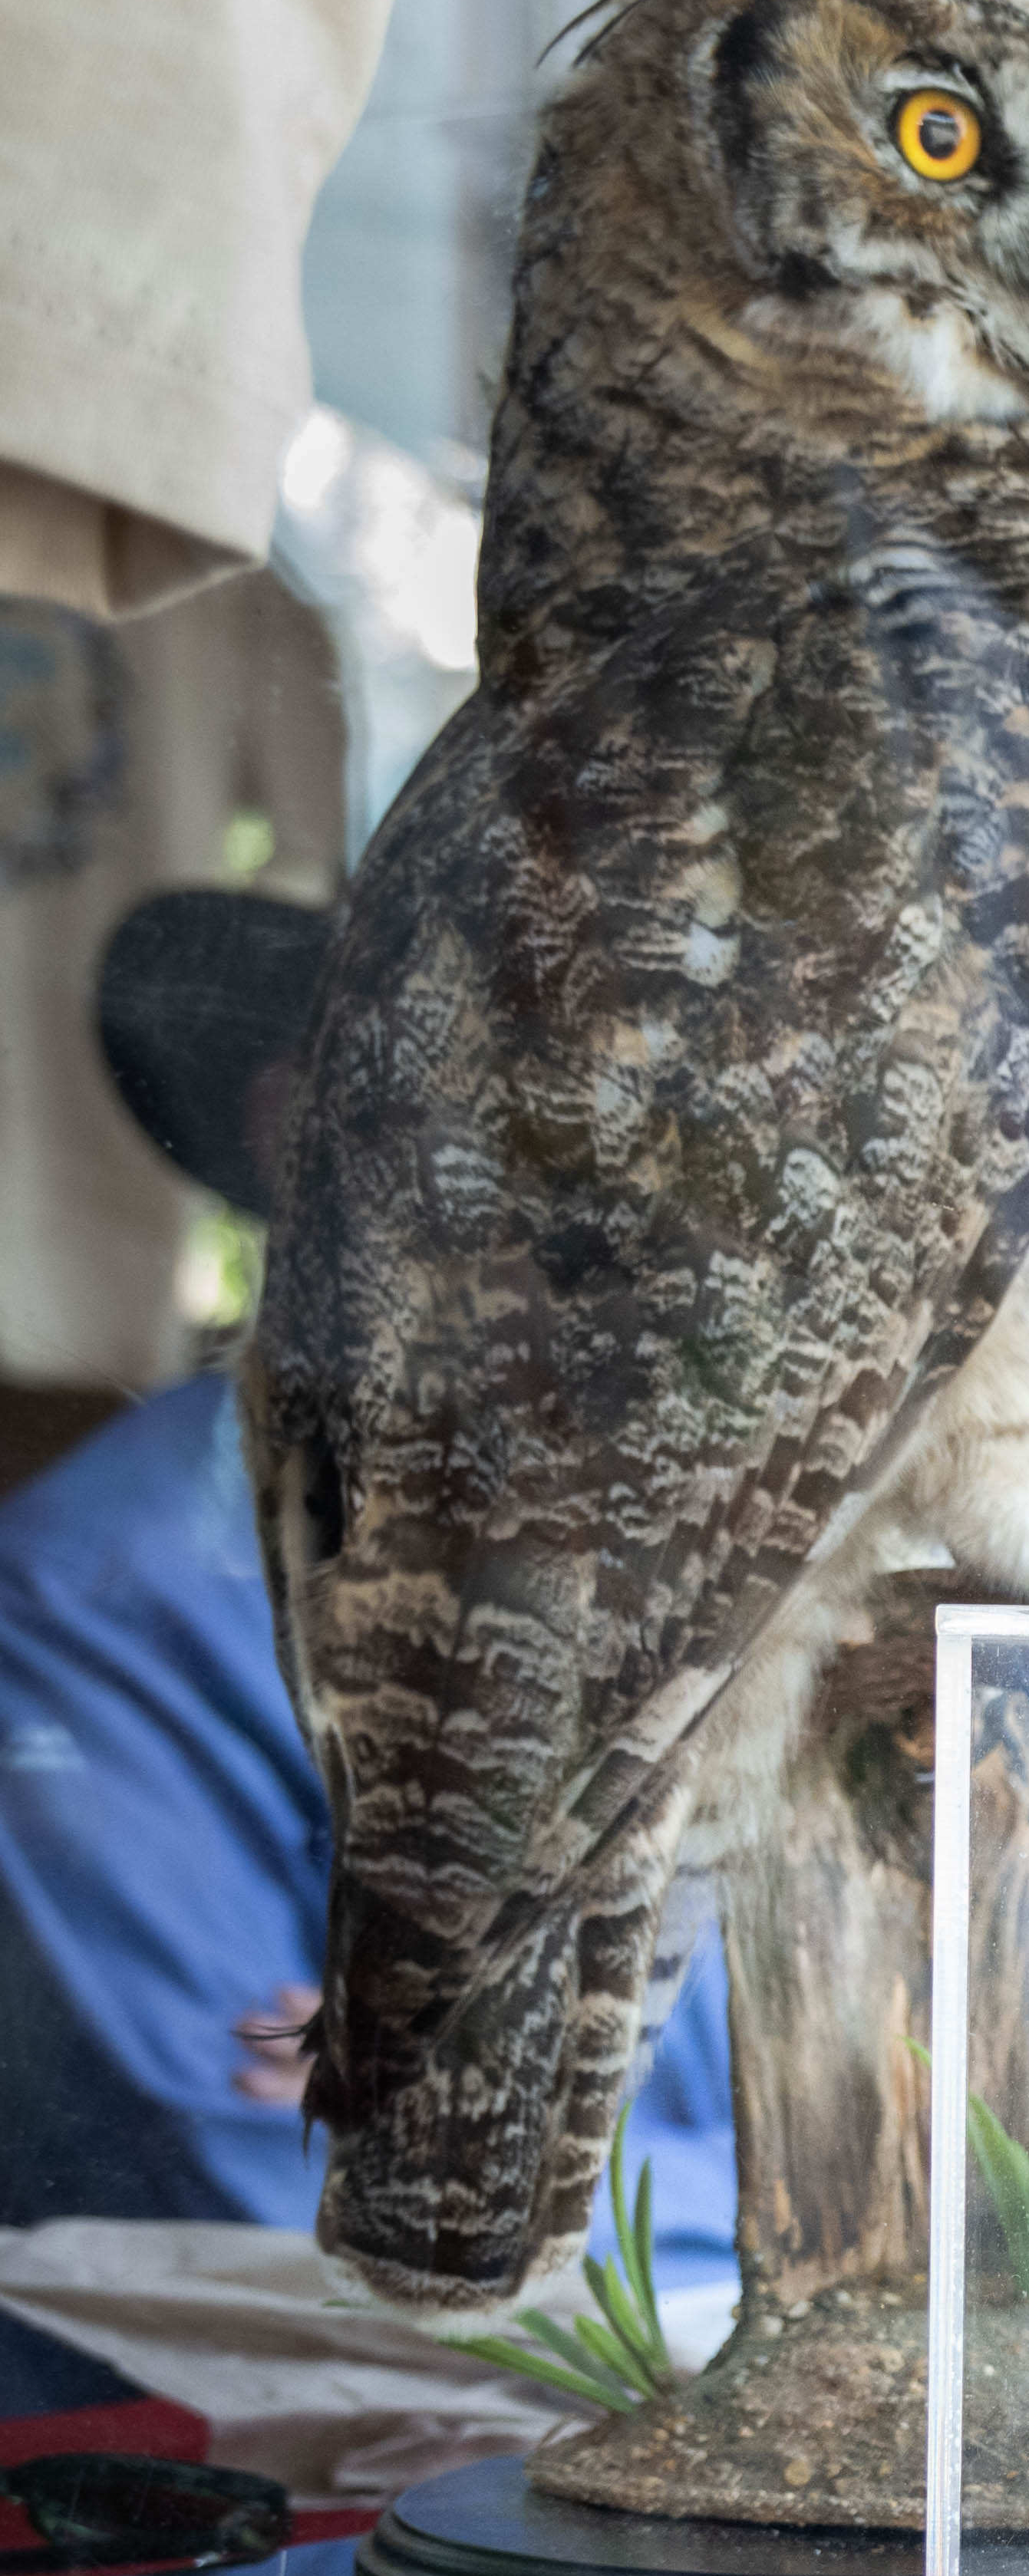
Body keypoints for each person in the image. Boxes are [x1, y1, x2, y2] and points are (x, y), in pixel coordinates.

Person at [0, 892, 734, 2375]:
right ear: (305, 1133)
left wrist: (473, 2123)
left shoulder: (728, 1528)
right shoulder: (104, 1585)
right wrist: (756, 2185)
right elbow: (263, 2201)